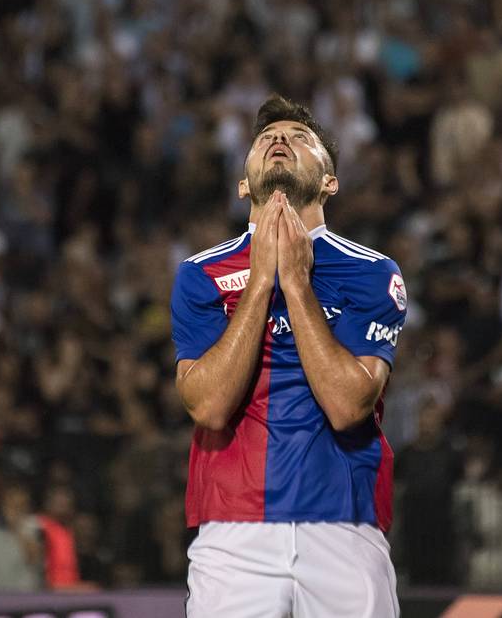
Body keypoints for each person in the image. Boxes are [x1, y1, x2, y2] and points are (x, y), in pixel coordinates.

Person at [171, 95, 407, 616]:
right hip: (233, 532)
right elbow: (207, 406)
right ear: (244, 183)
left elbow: (349, 406)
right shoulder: (199, 275)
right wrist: (261, 282)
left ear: (330, 181)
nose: (279, 139)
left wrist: (296, 285)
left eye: (300, 138)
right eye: (265, 138)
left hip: (344, 528)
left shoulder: (372, 272)